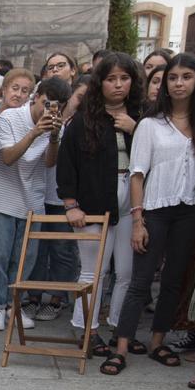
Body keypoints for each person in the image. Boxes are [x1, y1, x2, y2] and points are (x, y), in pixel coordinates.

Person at [106, 53, 195, 374]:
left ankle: (158, 341)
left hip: (192, 209)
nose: (178, 83)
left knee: (173, 280)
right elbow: (136, 173)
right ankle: (121, 347)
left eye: (186, 77)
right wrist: (138, 220)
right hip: (154, 209)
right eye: (172, 78)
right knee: (140, 280)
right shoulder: (150, 123)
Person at [56, 53, 144, 341]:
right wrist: (70, 204)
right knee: (94, 269)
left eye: (124, 78)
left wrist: (136, 130)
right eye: (111, 79)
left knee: (127, 271)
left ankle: (119, 328)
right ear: (100, 83)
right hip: (93, 199)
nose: (118, 85)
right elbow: (67, 165)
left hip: (132, 197)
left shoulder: (142, 118)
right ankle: (86, 328)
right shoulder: (82, 121)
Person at [0, 70, 57, 330]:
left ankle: (15, 305)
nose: (20, 94)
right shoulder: (7, 118)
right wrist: (36, 132)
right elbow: (9, 157)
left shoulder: (50, 125)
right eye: (16, 88)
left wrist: (54, 136)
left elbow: (49, 162)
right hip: (1, 199)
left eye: (25, 90)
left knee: (25, 259)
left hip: (32, 201)